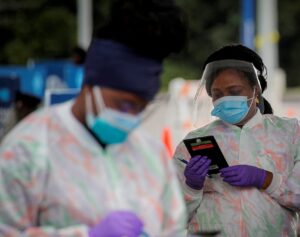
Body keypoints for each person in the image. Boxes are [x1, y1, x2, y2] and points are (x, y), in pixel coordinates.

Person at [0, 0, 188, 236]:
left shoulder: (150, 154)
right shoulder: (27, 150)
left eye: (141, 107)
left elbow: (175, 229)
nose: (131, 117)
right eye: (124, 103)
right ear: (90, 85)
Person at [173, 44, 300, 236]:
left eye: (234, 91)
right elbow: (172, 215)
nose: (225, 99)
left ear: (255, 90)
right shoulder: (195, 141)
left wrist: (265, 179)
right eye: (218, 95)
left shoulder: (289, 133)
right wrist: (191, 186)